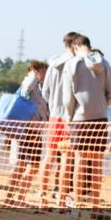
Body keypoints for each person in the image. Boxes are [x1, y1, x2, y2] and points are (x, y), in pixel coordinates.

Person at [63, 34, 111, 218]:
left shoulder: (72, 64)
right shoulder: (104, 62)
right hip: (100, 117)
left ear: (77, 46)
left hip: (79, 118)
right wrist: (102, 106)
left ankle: (77, 207)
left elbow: (68, 98)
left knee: (80, 161)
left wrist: (69, 117)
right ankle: (95, 208)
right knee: (97, 163)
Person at [40, 31, 79, 209]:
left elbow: (45, 92)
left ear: (64, 44)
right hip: (70, 117)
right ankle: (61, 201)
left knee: (49, 157)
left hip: (54, 116)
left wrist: (53, 106)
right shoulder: (77, 63)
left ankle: (43, 199)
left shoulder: (53, 64)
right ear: (76, 45)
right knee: (66, 159)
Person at [5, 61, 50, 207]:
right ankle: (13, 197)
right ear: (38, 70)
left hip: (34, 129)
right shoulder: (32, 80)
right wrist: (34, 76)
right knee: (24, 164)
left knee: (30, 165)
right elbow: (25, 93)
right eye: (44, 71)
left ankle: (17, 197)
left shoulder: (38, 85)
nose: (46, 74)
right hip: (28, 129)